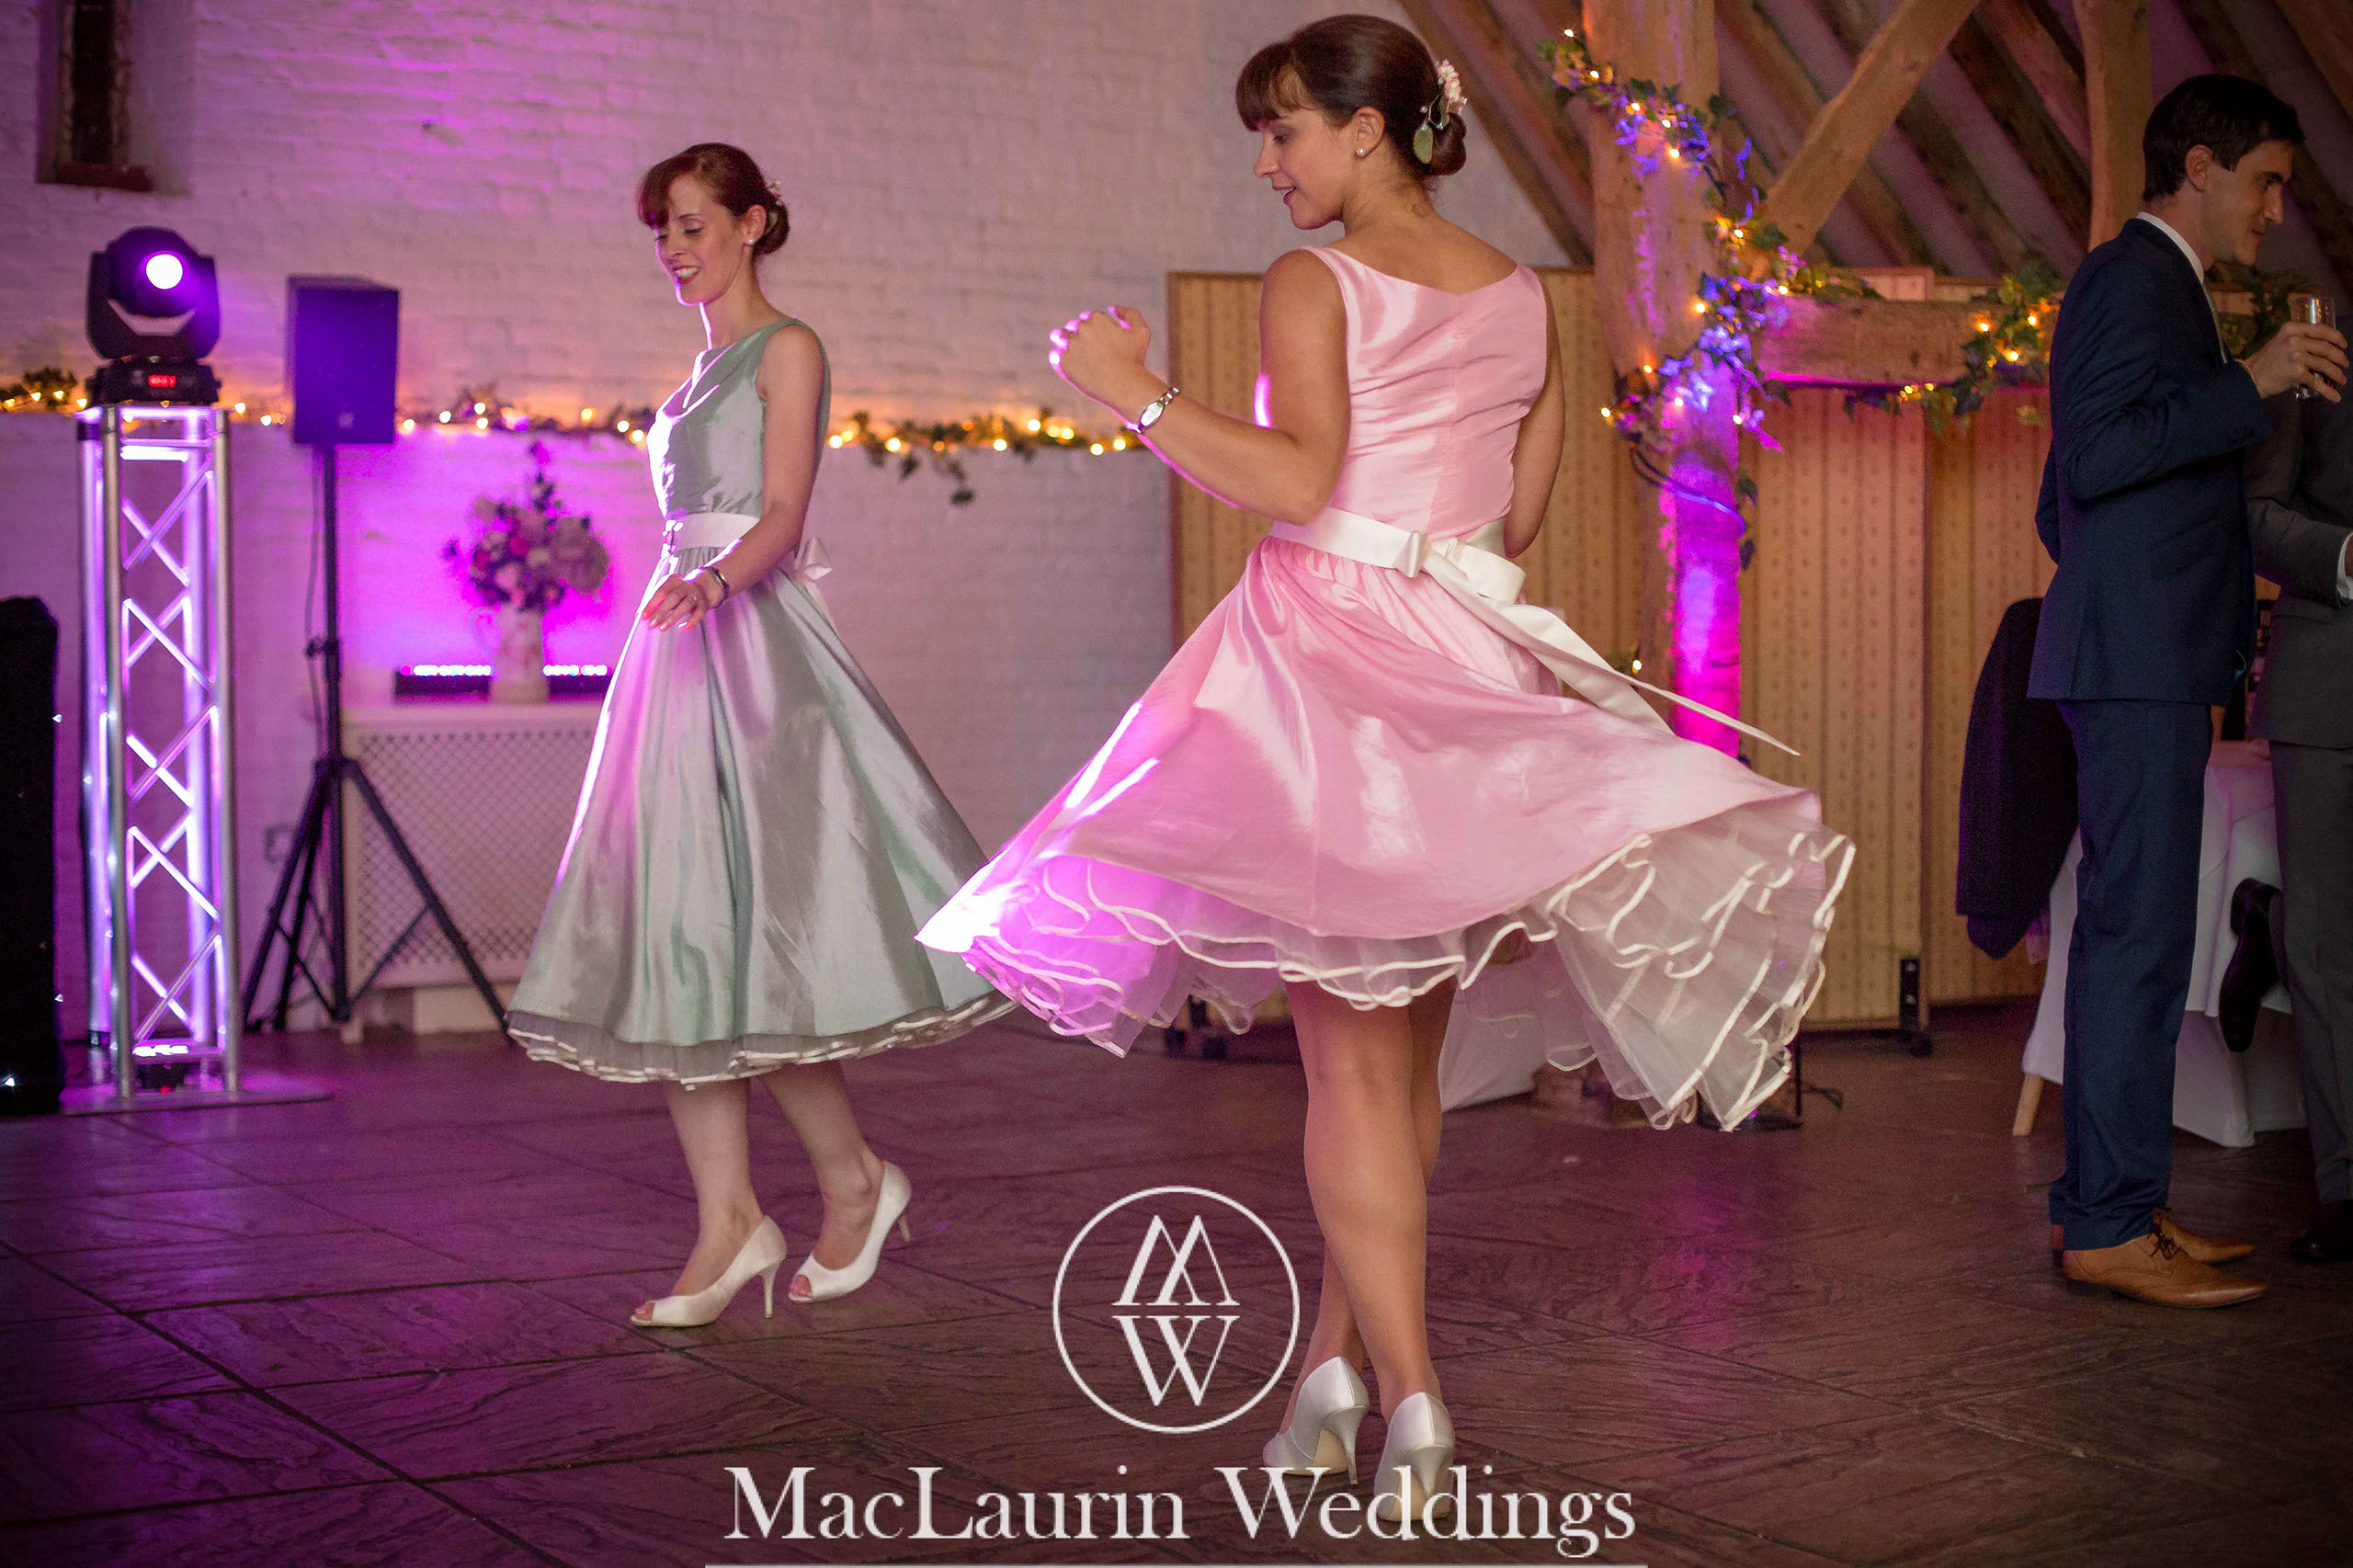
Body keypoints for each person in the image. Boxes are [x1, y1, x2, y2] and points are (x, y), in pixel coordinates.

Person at [919, 15, 1849, 1523]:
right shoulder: (1529, 295)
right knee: (1395, 1064)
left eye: (1284, 129)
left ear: (1367, 129)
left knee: (1351, 1066)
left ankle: (1416, 1403)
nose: (1267, 161)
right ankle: (1334, 1374)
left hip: (1330, 671)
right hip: (1464, 657)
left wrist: (1131, 392)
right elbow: (1511, 528)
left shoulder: (1314, 281)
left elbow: (1297, 482)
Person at [507, 143, 1007, 1327]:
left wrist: (716, 584)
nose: (675, 251)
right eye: (663, 232)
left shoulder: (789, 347)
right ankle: (733, 1219)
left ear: (752, 221)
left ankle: (850, 1181)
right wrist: (688, 593)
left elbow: (784, 514)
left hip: (745, 646)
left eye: (691, 226)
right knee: (686, 936)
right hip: (677, 652)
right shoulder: (690, 377)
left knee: (756, 942)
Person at [2029, 76, 2347, 1307]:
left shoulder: (2166, 290)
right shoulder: (2132, 276)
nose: (2275, 209)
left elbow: (2066, 493)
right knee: (2138, 943)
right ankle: (2110, 1224)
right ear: (2200, 167)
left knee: (2144, 940)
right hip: (2136, 669)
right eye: (2265, 178)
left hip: (2141, 658)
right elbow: (2099, 456)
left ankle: (2121, 1206)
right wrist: (2255, 379)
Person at [2246, 378, 2353, 1265]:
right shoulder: (2319, 351)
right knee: (2322, 950)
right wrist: (2347, 557)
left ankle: (2258, 923)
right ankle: (2345, 1189)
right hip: (2326, 694)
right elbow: (2258, 515)